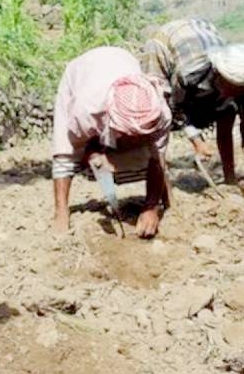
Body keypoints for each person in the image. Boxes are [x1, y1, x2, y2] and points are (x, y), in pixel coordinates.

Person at [140, 18, 244, 201]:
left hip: (201, 33)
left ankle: (229, 179)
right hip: (164, 45)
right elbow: (175, 109)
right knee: (158, 109)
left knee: (227, 109)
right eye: (230, 87)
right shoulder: (189, 75)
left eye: (238, 90)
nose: (234, 92)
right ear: (218, 74)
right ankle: (160, 180)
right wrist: (196, 141)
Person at [51, 46, 171, 238]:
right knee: (65, 151)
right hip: (83, 73)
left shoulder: (160, 113)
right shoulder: (86, 111)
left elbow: (158, 159)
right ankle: (61, 212)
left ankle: (164, 201)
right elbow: (75, 150)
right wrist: (94, 153)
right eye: (131, 135)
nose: (136, 140)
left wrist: (150, 207)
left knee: (151, 154)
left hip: (122, 60)